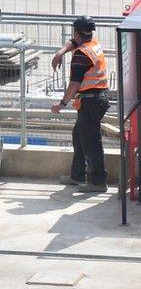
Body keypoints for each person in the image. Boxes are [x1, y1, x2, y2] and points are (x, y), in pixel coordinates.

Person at [50, 16, 109, 193]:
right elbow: (73, 43)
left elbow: (74, 84)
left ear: (76, 32)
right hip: (97, 97)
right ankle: (77, 175)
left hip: (91, 100)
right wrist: (60, 52)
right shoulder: (92, 44)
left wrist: (61, 104)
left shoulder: (81, 55)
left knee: (91, 141)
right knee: (79, 135)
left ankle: (98, 182)